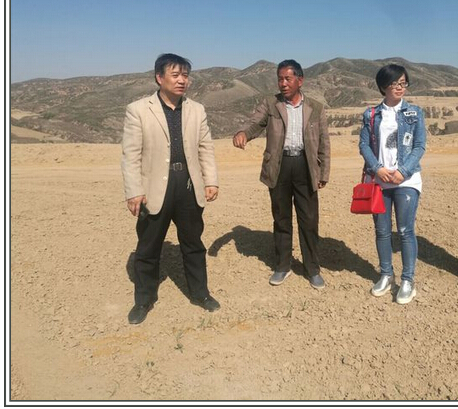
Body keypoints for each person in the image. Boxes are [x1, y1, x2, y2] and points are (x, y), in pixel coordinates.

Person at [121, 53, 220, 324]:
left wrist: (211, 180)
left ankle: (200, 293)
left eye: (185, 75)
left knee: (193, 243)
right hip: (154, 187)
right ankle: (144, 299)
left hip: (187, 184)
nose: (181, 80)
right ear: (159, 78)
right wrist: (134, 191)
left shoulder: (196, 110)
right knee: (148, 247)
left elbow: (205, 148)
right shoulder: (138, 110)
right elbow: (131, 155)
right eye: (175, 75)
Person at [232, 59, 330, 289]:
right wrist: (243, 133)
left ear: (300, 80)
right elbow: (255, 123)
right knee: (281, 218)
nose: (283, 83)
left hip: (306, 166)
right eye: (280, 79)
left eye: (288, 78)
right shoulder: (271, 104)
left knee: (309, 220)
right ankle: (282, 266)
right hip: (279, 166)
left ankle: (312, 268)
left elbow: (324, 142)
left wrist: (323, 172)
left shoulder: (316, 107)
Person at [359, 64, 426, 304]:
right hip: (380, 181)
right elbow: (364, 145)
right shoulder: (371, 114)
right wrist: (377, 168)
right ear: (383, 86)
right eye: (395, 83)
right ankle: (386, 274)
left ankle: (407, 280)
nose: (400, 87)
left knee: (405, 230)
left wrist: (403, 171)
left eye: (403, 83)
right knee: (382, 230)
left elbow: (419, 145)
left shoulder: (415, 113)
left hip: (407, 180)